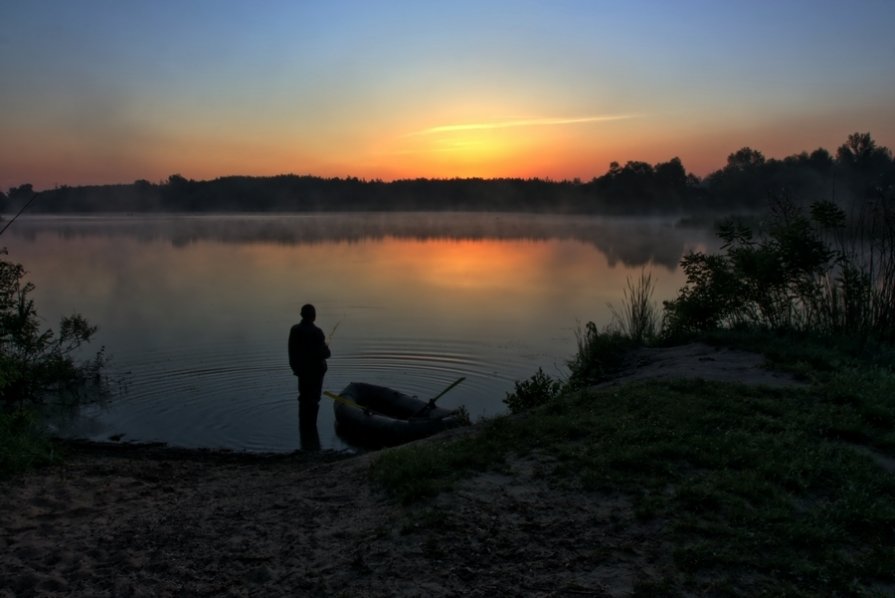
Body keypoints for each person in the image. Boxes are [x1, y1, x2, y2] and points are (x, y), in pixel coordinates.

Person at [288, 304, 331, 442]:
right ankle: (311, 429)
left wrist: (295, 368)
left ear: (301, 315)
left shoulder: (295, 330)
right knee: (314, 399)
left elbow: (291, 351)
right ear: (314, 316)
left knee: (303, 397)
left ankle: (303, 429)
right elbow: (325, 353)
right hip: (316, 371)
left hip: (301, 371)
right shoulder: (317, 332)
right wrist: (326, 349)